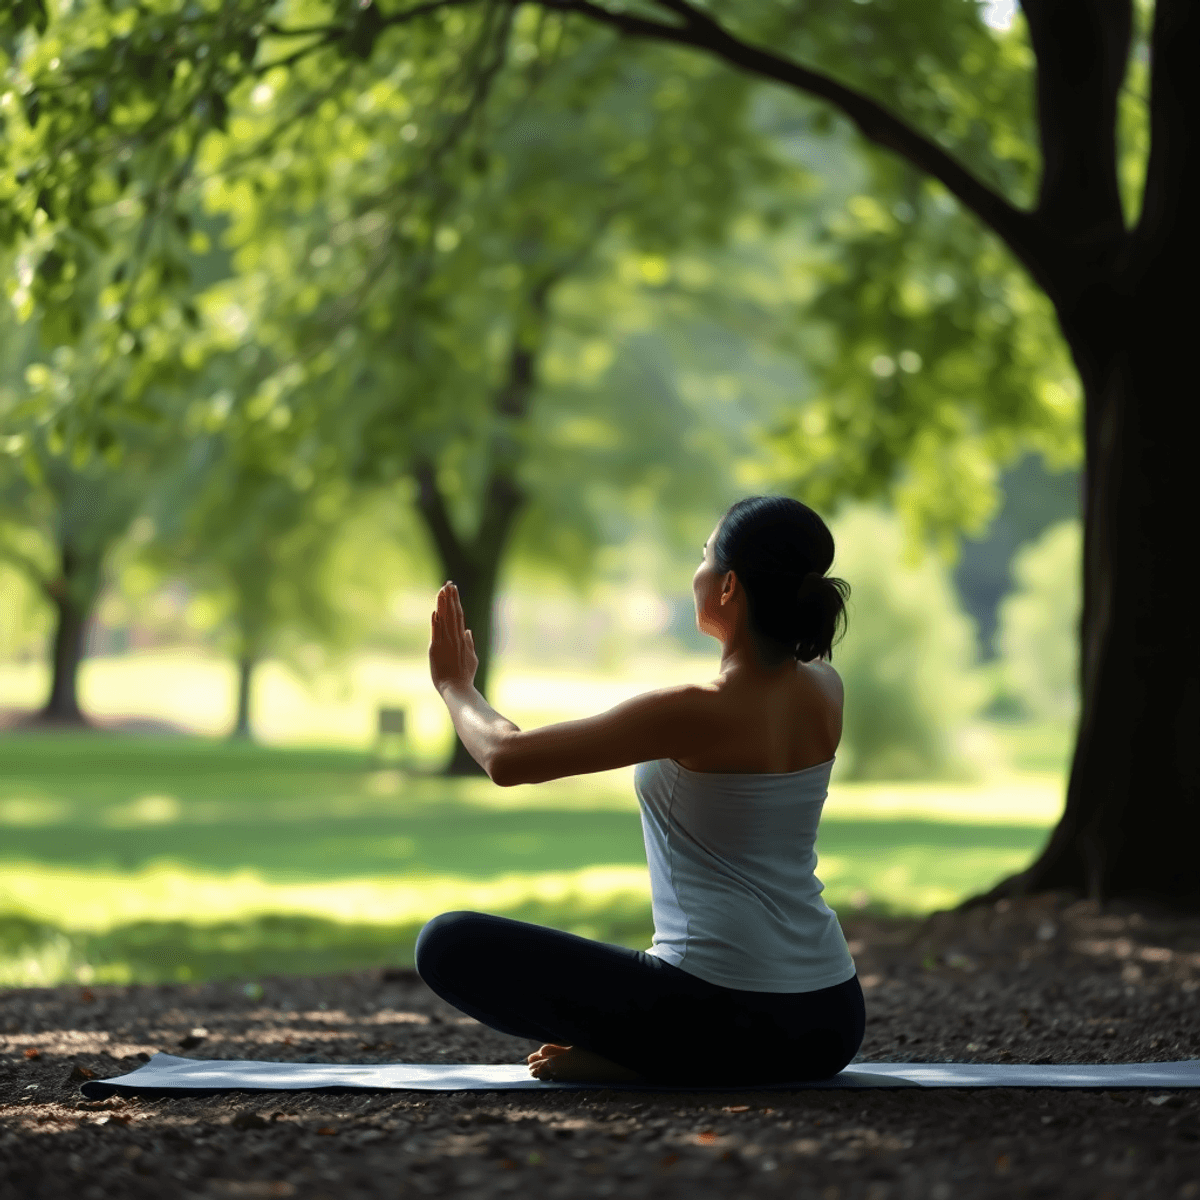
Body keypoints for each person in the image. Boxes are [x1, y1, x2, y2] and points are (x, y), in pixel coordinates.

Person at [416, 494, 864, 1085]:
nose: (697, 569)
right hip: (831, 1017)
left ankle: (645, 1053)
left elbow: (507, 757)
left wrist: (454, 685)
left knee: (447, 944)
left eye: (704, 556)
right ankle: (647, 1051)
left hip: (722, 1014)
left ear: (728, 587)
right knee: (656, 987)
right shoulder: (826, 689)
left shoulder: (693, 711)